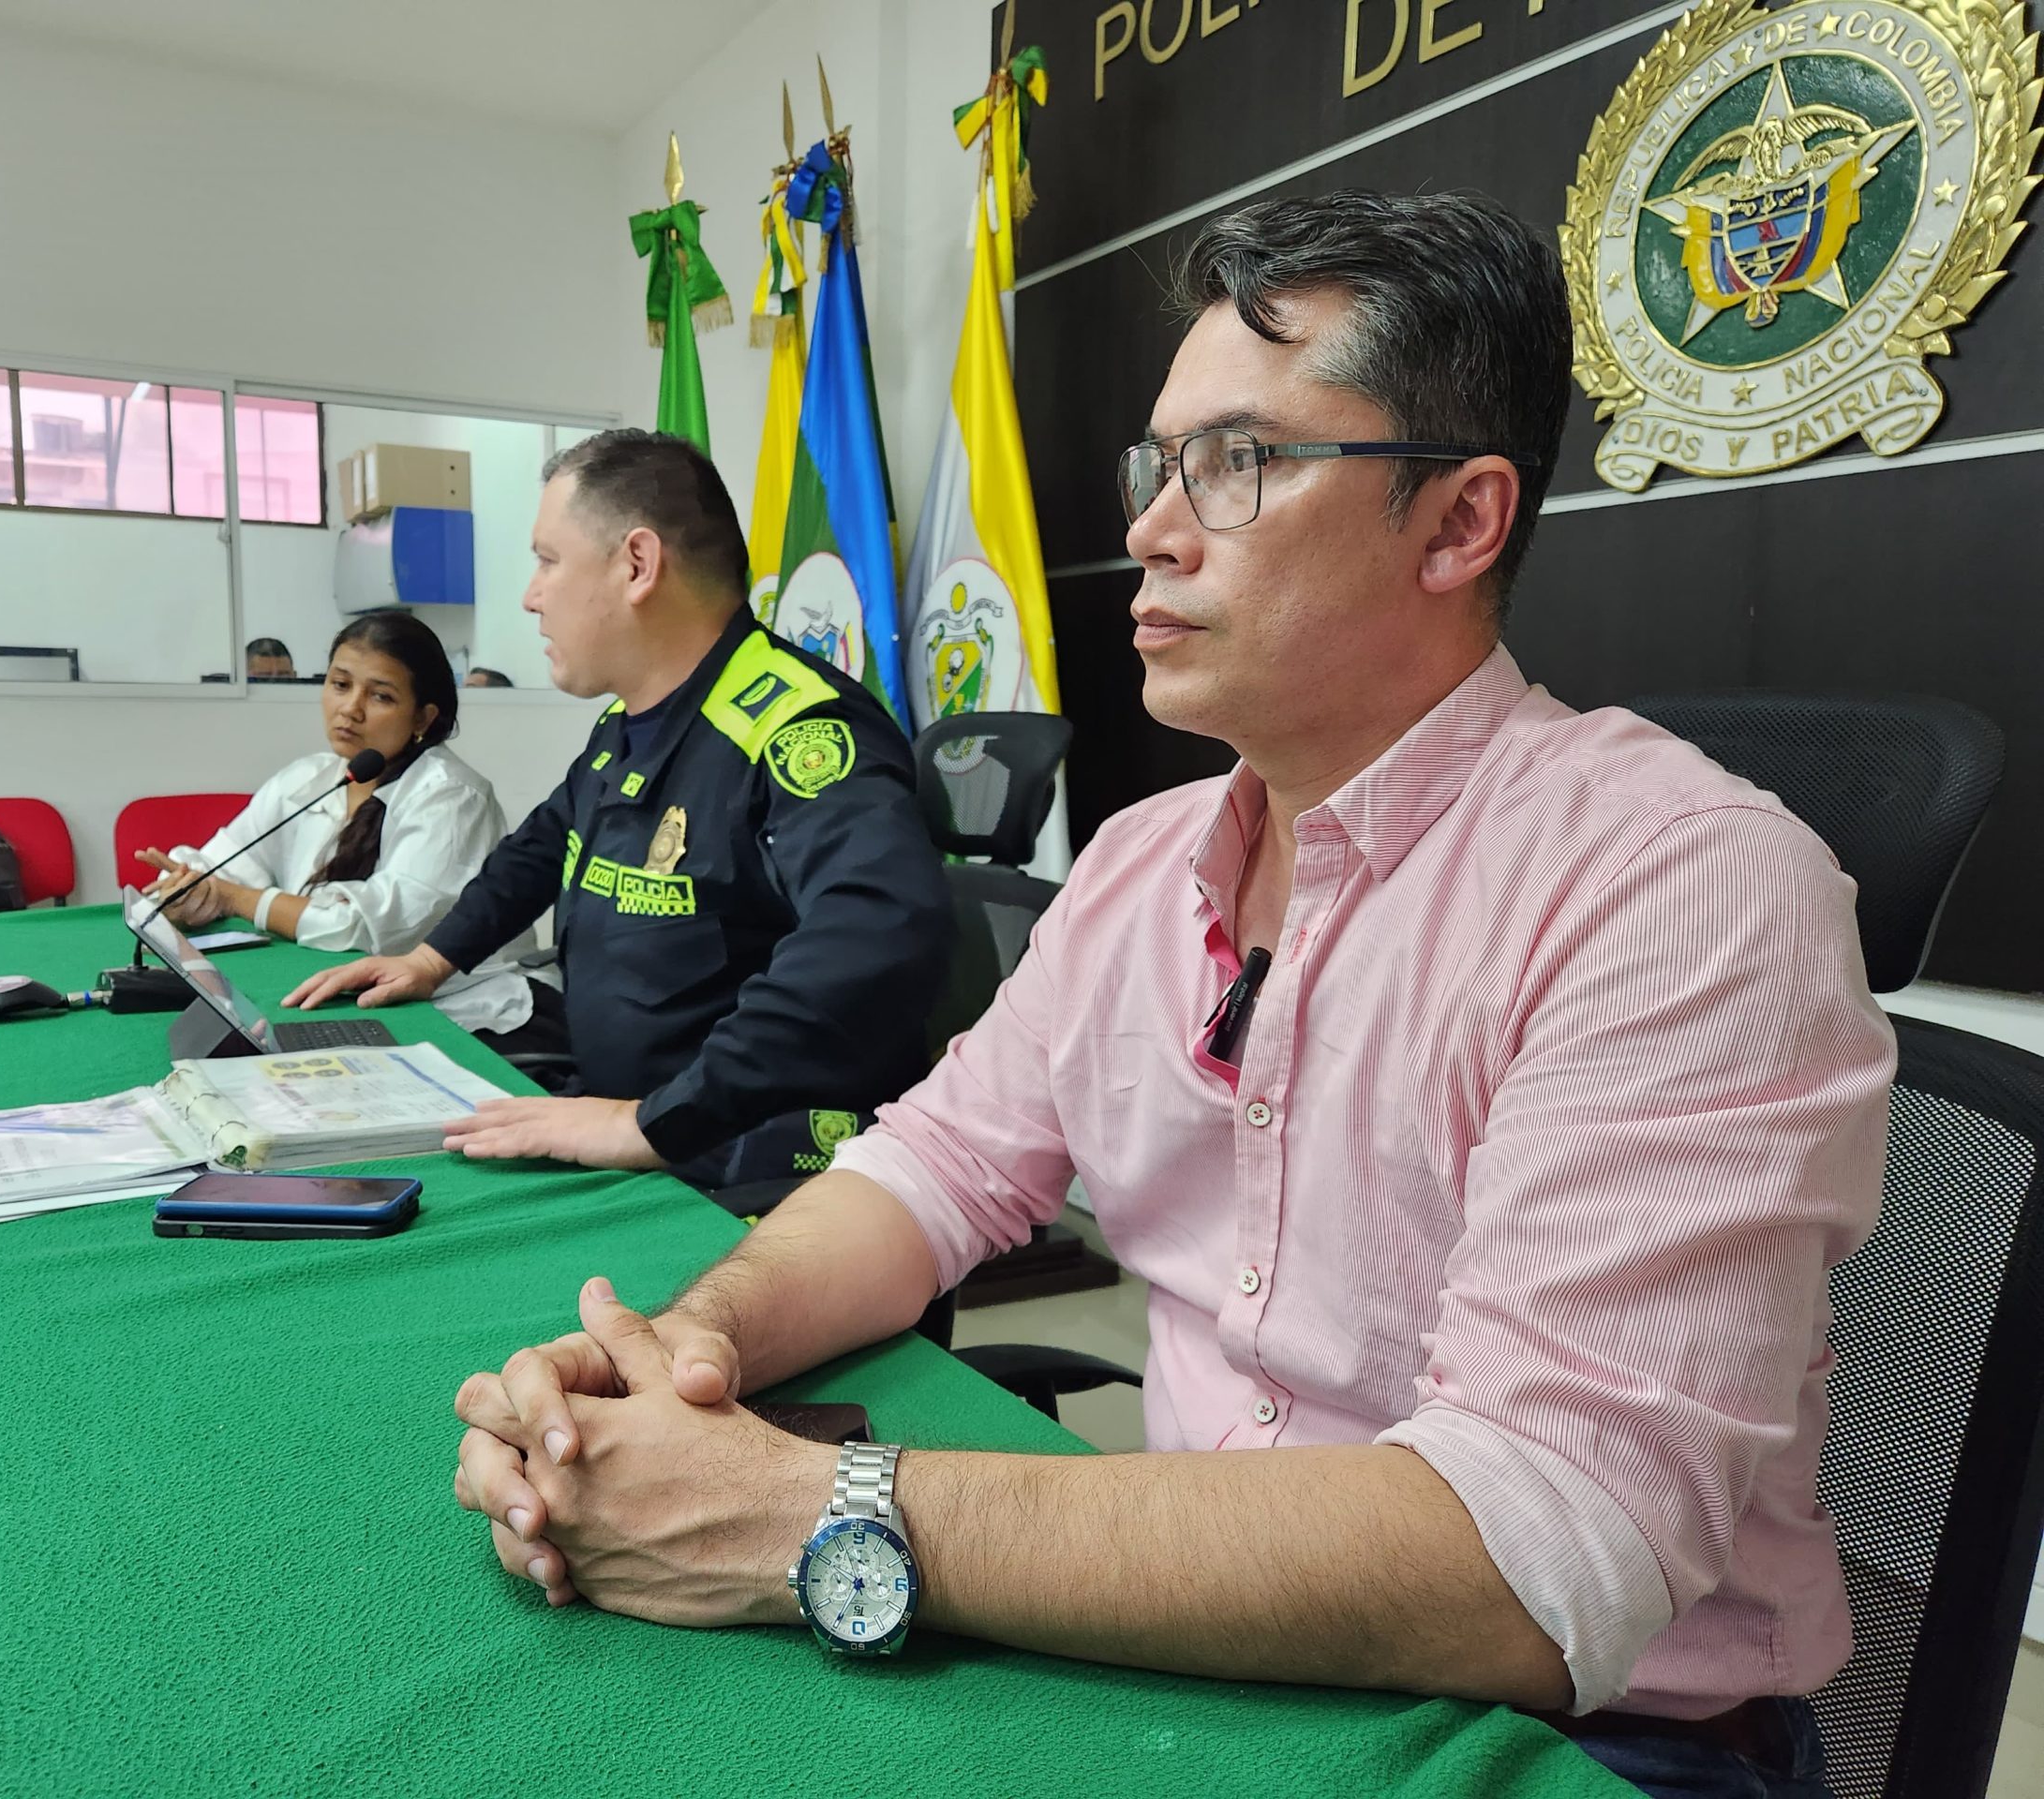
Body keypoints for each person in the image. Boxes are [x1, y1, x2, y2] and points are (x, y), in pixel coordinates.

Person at [445, 193, 1895, 1799]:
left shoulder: (1679, 883)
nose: (1151, 528)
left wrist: (812, 1512)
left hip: (1582, 1741)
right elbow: (934, 1175)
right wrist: (684, 1354)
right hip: (1209, 1650)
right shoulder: (1142, 866)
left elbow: (1533, 1557)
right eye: (1159, 465)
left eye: (1241, 464)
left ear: (1458, 522)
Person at [284, 429, 952, 1188]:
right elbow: (541, 847)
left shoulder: (797, 728)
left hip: (751, 1158)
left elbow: (875, 935)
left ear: (637, 565)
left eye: (547, 560)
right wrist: (430, 960)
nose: (531, 596)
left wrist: (648, 1122)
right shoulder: (631, 723)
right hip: (632, 1128)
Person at [139, 612, 536, 1038]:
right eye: (340, 685)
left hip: (464, 1011)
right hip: (343, 995)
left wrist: (232, 898)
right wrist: (188, 890)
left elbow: (358, 930)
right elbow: (222, 862)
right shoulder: (308, 778)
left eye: (380, 696)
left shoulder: (452, 796)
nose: (350, 708)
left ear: (423, 718)